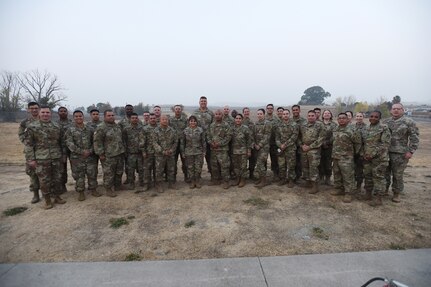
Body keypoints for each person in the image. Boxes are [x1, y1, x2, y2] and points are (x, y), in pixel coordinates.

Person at [24, 106, 67, 209]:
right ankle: (47, 199)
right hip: (41, 158)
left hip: (56, 157)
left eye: (47, 112)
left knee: (57, 178)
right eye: (43, 112)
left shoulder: (56, 126)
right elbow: (28, 145)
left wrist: (64, 155)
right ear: (39, 113)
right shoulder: (32, 127)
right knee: (44, 180)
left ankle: (57, 196)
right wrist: (31, 159)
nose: (45, 114)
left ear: (50, 114)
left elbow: (62, 142)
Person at [384, 103, 419, 202]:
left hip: (400, 154)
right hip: (385, 152)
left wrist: (411, 151)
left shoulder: (409, 122)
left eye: (398, 109)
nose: (396, 110)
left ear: (403, 110)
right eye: (394, 109)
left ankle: (396, 193)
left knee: (397, 174)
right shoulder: (386, 121)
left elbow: (414, 138)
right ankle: (384, 189)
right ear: (391, 110)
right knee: (385, 173)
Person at [65, 110, 100, 201]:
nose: (78, 118)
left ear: (83, 117)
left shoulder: (90, 129)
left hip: (90, 156)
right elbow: (69, 143)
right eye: (76, 116)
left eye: (80, 116)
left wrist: (90, 151)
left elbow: (95, 142)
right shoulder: (70, 130)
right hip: (77, 158)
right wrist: (81, 152)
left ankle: (93, 189)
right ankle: (81, 192)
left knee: (92, 174)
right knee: (79, 176)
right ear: (73, 118)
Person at [330, 113, 362, 203]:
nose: (341, 120)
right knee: (337, 173)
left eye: (343, 118)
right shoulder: (335, 129)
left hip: (347, 157)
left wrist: (355, 154)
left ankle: (349, 193)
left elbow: (358, 143)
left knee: (348, 176)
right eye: (339, 118)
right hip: (336, 156)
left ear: (348, 119)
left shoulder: (352, 129)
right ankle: (338, 188)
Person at [94, 110, 125, 197]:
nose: (111, 117)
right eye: (109, 115)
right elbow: (97, 142)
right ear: (104, 117)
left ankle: (118, 185)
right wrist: (101, 153)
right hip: (108, 155)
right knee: (109, 173)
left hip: (119, 153)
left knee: (119, 171)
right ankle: (108, 188)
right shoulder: (101, 127)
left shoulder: (117, 126)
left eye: (112, 115)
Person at [363, 111, 391, 206]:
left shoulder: (384, 128)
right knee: (368, 176)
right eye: (371, 116)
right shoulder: (366, 128)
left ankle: (379, 198)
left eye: (376, 117)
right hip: (367, 158)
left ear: (379, 118)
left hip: (379, 158)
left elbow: (385, 144)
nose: (373, 118)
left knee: (378, 177)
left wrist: (372, 154)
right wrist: (364, 154)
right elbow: (363, 143)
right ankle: (368, 194)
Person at [18, 101, 41, 203]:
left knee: (46, 173)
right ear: (28, 110)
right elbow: (20, 134)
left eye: (36, 108)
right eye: (32, 108)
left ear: (39, 109)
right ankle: (35, 194)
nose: (34, 110)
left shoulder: (44, 120)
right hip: (30, 151)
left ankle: (49, 193)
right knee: (33, 173)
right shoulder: (25, 122)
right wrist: (27, 142)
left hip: (44, 150)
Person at [298, 110, 325, 194]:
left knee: (313, 167)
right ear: (307, 116)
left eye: (312, 115)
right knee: (305, 166)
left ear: (315, 116)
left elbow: (321, 138)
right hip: (304, 148)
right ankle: (308, 181)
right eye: (309, 115)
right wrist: (302, 145)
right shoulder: (303, 125)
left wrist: (310, 147)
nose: (310, 117)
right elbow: (298, 137)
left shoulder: (320, 125)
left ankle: (315, 186)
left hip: (314, 150)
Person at [152, 115, 178, 192]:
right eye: (163, 119)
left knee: (171, 169)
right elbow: (154, 143)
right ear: (160, 120)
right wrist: (162, 151)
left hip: (170, 154)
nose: (165, 121)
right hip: (160, 154)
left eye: (166, 119)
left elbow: (175, 142)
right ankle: (159, 185)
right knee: (159, 170)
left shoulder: (172, 131)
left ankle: (171, 183)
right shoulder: (156, 131)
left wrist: (171, 150)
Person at [207, 109, 232, 189]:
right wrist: (211, 142)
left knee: (224, 166)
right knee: (214, 166)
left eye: (219, 114)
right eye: (216, 114)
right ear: (214, 115)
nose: (217, 115)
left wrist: (219, 144)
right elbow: (208, 136)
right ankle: (216, 180)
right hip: (213, 149)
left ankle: (226, 181)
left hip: (223, 150)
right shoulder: (212, 125)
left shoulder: (226, 125)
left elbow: (229, 137)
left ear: (222, 115)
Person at [180, 116, 206, 189]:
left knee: (198, 167)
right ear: (189, 122)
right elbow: (182, 143)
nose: (193, 122)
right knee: (190, 167)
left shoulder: (200, 130)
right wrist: (183, 152)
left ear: (197, 122)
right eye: (191, 121)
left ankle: (197, 181)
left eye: (194, 121)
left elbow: (203, 141)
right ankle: (192, 181)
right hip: (189, 152)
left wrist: (204, 151)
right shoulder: (185, 131)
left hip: (198, 152)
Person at [275, 109, 299, 188]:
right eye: (284, 114)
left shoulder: (294, 124)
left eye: (287, 113)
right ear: (282, 115)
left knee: (291, 165)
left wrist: (285, 144)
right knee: (281, 164)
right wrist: (280, 145)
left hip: (290, 148)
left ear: (289, 114)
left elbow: (294, 136)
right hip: (281, 148)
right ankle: (283, 179)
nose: (285, 115)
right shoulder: (279, 125)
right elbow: (277, 137)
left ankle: (291, 180)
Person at [122, 113, 144, 191]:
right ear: (130, 119)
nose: (134, 119)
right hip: (130, 153)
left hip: (140, 153)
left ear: (138, 119)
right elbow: (124, 141)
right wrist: (125, 151)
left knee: (141, 169)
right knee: (130, 170)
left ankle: (141, 182)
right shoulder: (126, 129)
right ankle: (131, 183)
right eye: (133, 118)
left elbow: (144, 139)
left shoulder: (141, 128)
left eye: (136, 118)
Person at [193, 96, 214, 173]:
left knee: (210, 158)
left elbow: (213, 125)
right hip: (198, 139)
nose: (203, 102)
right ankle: (197, 177)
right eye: (202, 101)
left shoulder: (211, 113)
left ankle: (212, 175)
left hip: (208, 138)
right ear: (199, 102)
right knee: (198, 158)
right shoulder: (195, 113)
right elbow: (192, 125)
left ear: (207, 102)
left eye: (204, 101)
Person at [231, 114, 252, 188]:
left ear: (242, 120)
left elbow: (249, 140)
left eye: (239, 118)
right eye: (236, 118)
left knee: (243, 166)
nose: (238, 120)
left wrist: (249, 150)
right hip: (234, 151)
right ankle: (237, 179)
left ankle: (243, 180)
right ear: (235, 119)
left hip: (243, 151)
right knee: (236, 166)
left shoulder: (245, 128)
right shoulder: (232, 128)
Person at [169, 105, 189, 182]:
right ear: (174, 110)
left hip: (183, 143)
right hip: (174, 144)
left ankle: (187, 176)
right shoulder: (170, 120)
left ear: (181, 110)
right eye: (176, 109)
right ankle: (173, 177)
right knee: (173, 161)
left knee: (185, 161)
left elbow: (187, 129)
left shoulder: (185, 119)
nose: (177, 110)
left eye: (179, 109)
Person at [253, 109, 272, 189]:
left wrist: (259, 145)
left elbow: (267, 136)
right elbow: (253, 134)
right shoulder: (256, 123)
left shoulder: (267, 123)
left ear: (264, 114)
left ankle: (264, 181)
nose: (259, 115)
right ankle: (261, 179)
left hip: (264, 147)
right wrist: (254, 143)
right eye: (258, 114)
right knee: (259, 164)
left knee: (260, 163)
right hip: (256, 146)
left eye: (261, 114)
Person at [319, 110, 337, 185]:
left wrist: (327, 142)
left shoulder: (334, 125)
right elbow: (316, 134)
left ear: (331, 115)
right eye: (325, 113)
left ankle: (328, 178)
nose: (326, 114)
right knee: (320, 162)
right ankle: (321, 178)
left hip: (329, 147)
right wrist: (322, 143)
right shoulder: (319, 124)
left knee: (328, 163)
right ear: (322, 115)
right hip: (319, 146)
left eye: (328, 113)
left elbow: (335, 135)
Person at [141, 113, 158, 190]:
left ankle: (157, 184)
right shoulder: (145, 129)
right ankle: (146, 184)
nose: (152, 120)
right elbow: (142, 142)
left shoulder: (159, 128)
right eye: (151, 118)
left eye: (154, 118)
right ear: (149, 119)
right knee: (147, 169)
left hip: (158, 152)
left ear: (156, 119)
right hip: (148, 152)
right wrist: (143, 151)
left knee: (157, 169)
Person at [57, 106, 72, 194]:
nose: (63, 112)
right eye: (61, 111)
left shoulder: (71, 123)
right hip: (60, 149)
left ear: (67, 112)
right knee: (62, 168)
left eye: (64, 111)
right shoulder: (55, 124)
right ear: (58, 113)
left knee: (75, 168)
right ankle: (62, 185)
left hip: (71, 149)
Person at [291, 105, 307, 183]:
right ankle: (292, 177)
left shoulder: (304, 121)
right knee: (292, 162)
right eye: (293, 110)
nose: (295, 111)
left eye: (296, 110)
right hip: (291, 145)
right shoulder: (290, 121)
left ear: (299, 110)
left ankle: (298, 176)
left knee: (300, 162)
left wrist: (302, 144)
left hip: (300, 144)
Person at [265, 104, 281, 180]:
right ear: (266, 109)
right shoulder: (263, 118)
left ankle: (275, 174)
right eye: (268, 108)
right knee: (263, 159)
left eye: (271, 108)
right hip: (265, 143)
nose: (270, 109)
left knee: (274, 158)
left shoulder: (277, 119)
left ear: (273, 109)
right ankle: (263, 175)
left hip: (274, 143)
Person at [353, 112, 367, 192]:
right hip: (352, 152)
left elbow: (367, 141)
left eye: (360, 116)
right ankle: (352, 184)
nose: (359, 118)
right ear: (355, 117)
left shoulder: (367, 128)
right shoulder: (351, 127)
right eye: (357, 116)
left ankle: (358, 186)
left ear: (363, 117)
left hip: (361, 153)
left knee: (359, 170)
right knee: (352, 169)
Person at [242, 107, 257, 180]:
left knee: (252, 161)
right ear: (243, 113)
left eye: (248, 111)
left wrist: (253, 143)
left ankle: (251, 174)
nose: (246, 113)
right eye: (245, 112)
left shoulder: (251, 122)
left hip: (251, 144)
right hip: (242, 145)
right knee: (243, 161)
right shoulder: (240, 121)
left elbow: (253, 134)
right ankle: (243, 176)